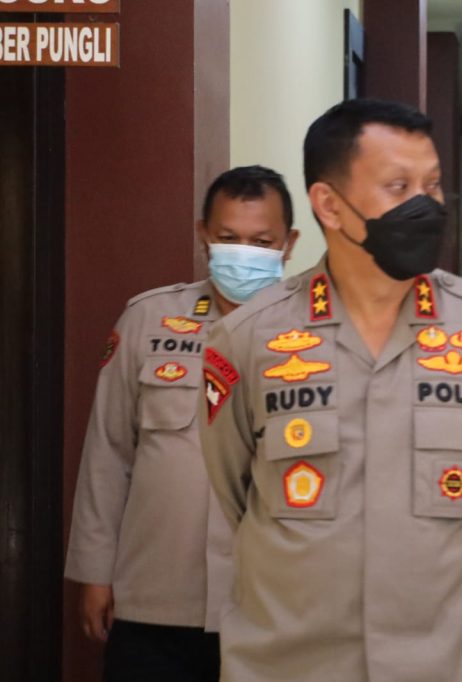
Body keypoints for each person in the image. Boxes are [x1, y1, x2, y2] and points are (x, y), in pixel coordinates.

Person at [198, 98, 462, 682]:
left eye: (432, 185)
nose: (425, 206)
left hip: (448, 662)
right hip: (293, 663)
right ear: (329, 204)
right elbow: (236, 492)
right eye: (398, 186)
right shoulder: (248, 337)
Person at [64, 165, 299, 682]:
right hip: (156, 598)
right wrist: (95, 572)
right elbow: (108, 451)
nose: (244, 253)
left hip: (276, 608)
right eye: (228, 238)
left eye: (262, 242)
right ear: (203, 235)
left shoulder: (319, 335)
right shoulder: (148, 320)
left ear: (289, 244)